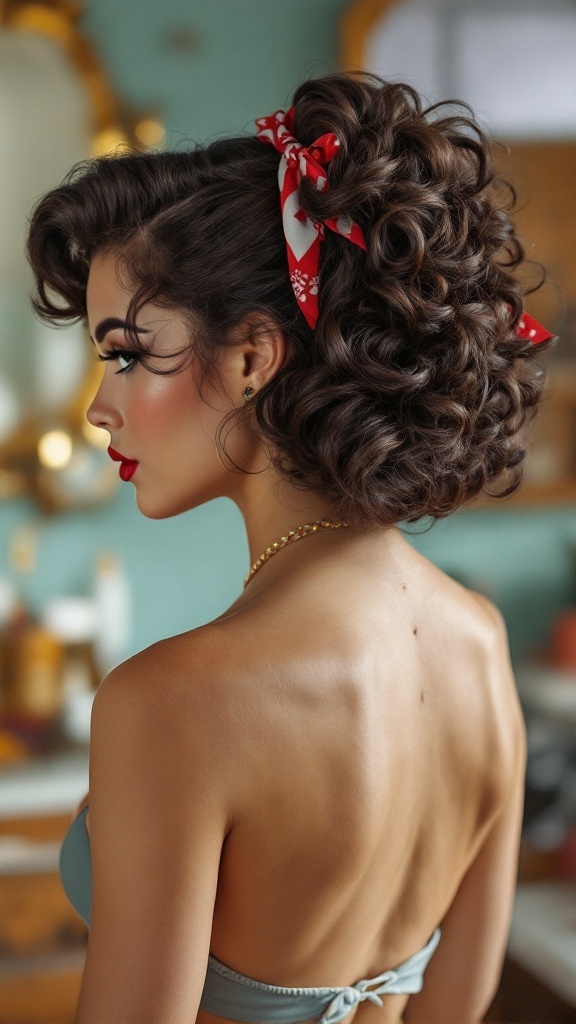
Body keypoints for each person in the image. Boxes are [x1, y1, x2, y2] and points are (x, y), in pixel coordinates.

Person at [27, 71, 555, 1024]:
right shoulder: (478, 644)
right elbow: (460, 1004)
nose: (100, 406)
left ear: (250, 359)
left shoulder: (173, 701)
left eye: (125, 352)